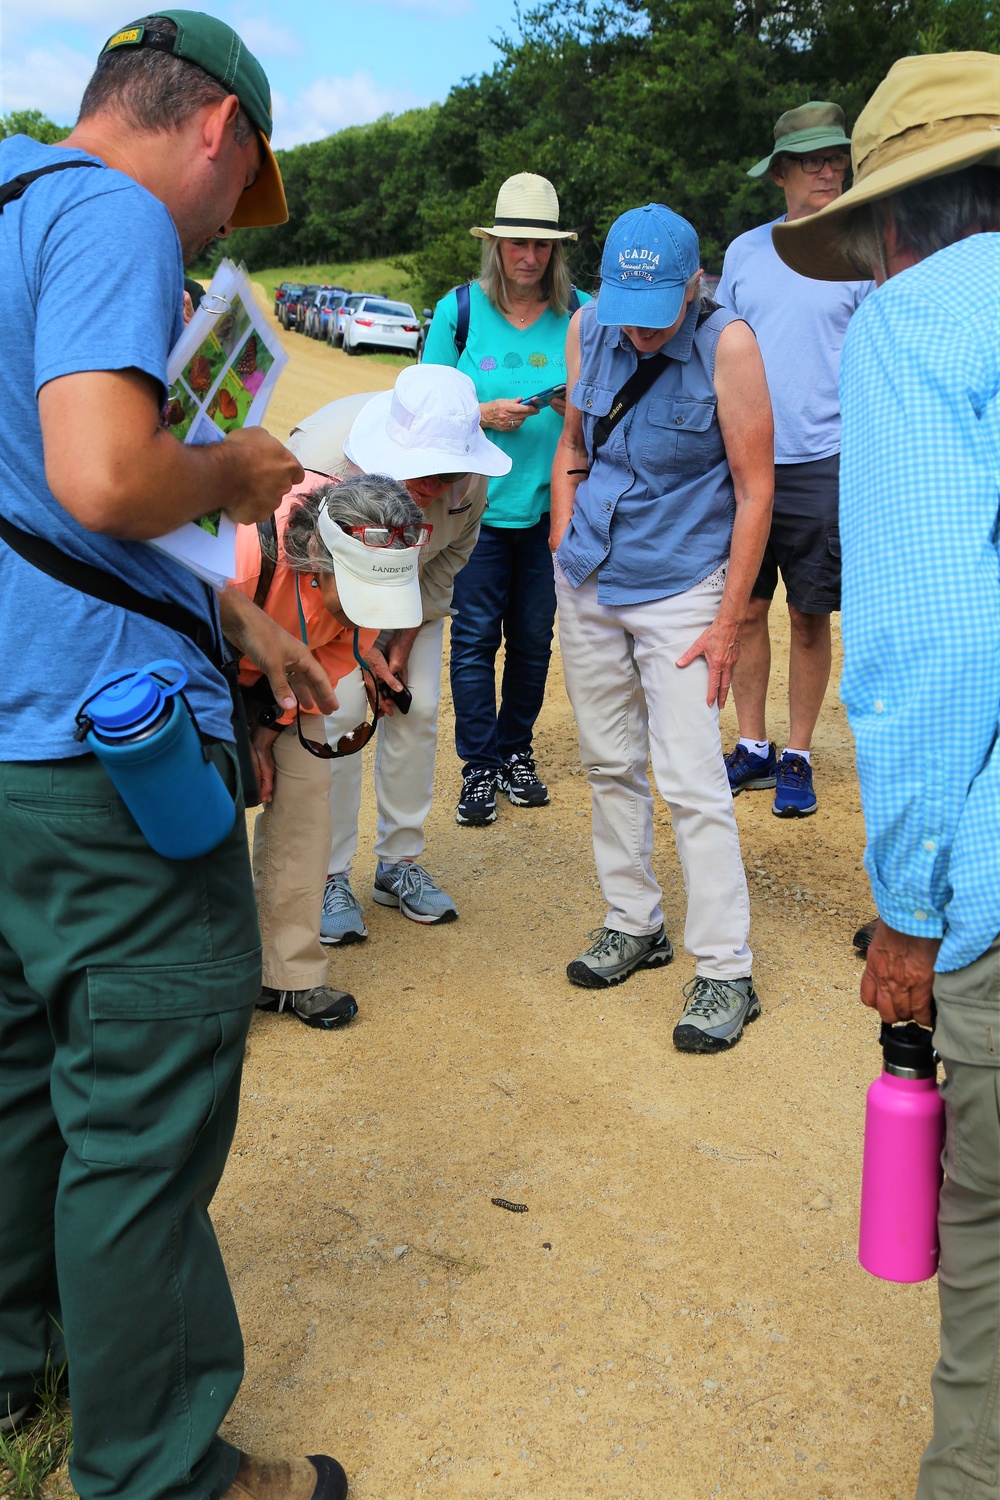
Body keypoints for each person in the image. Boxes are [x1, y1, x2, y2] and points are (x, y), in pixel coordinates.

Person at [0, 13, 350, 1500]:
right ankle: (154, 1467)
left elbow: (42, 498)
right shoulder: (117, 212)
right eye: (240, 189)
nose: (223, 225)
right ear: (218, 131)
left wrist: (243, 621)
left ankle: (25, 1364)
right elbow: (103, 474)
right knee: (144, 1096)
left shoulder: (11, 204)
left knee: (21, 1076)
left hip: (13, 747)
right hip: (104, 762)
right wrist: (245, 468)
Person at [772, 50, 1000, 1499]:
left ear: (897, 225)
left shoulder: (922, 323)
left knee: (982, 1263)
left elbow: (928, 650)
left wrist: (908, 912)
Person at [551, 203, 774, 1053]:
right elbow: (576, 439)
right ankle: (632, 921)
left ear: (694, 284)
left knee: (689, 779)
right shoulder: (588, 326)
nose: (638, 335)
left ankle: (725, 969)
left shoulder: (730, 346)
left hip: (681, 585)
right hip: (591, 577)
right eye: (626, 314)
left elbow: (756, 491)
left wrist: (728, 625)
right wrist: (563, 529)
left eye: (656, 316)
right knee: (609, 762)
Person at [284, 366, 511, 939]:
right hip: (331, 593)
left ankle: (399, 862)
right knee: (338, 713)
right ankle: (329, 872)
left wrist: (400, 644)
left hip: (410, 597)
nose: (435, 488)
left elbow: (447, 564)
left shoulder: (471, 483)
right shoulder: (323, 463)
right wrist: (363, 653)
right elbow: (305, 575)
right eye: (421, 474)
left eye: (446, 473)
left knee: (417, 706)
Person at [717, 102, 873, 816]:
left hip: (824, 460)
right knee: (747, 611)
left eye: (836, 156)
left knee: (811, 616)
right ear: (780, 173)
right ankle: (753, 746)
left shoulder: (865, 250)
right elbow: (718, 354)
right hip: (744, 462)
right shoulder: (746, 254)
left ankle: (800, 754)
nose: (827, 169)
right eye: (811, 159)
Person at [421, 172, 591, 826]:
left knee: (531, 641)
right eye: (518, 243)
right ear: (495, 245)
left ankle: (517, 751)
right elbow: (424, 408)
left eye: (542, 246)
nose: (529, 257)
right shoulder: (457, 311)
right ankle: (479, 765)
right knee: (472, 642)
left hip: (553, 512)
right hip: (477, 513)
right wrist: (478, 413)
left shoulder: (579, 312)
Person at [233, 474, 426, 1019]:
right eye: (362, 593)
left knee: (307, 801)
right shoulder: (247, 554)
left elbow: (340, 653)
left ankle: (287, 973)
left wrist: (270, 727)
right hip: (205, 667)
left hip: (291, 681)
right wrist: (239, 735)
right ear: (317, 552)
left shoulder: (374, 579)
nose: (371, 611)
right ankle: (212, 980)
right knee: (209, 807)